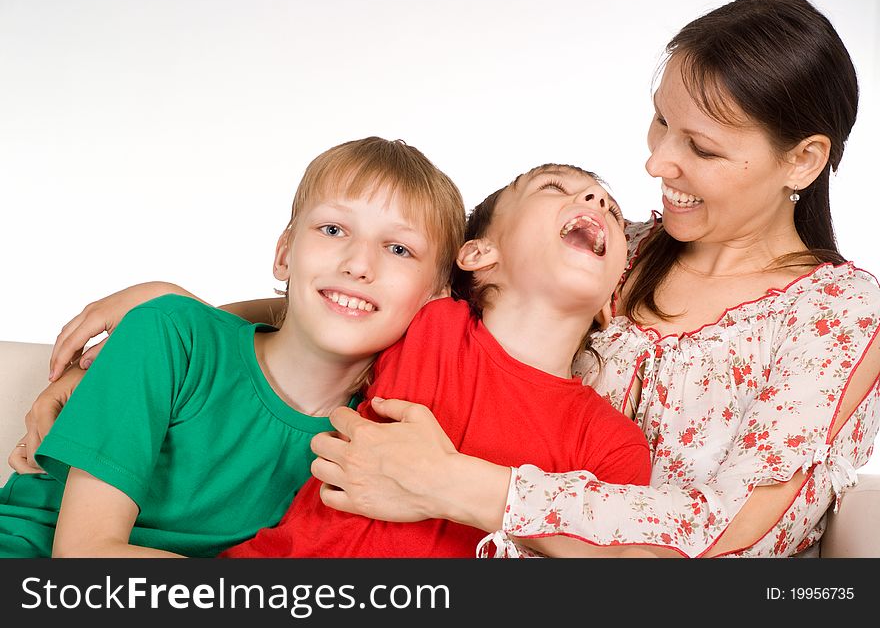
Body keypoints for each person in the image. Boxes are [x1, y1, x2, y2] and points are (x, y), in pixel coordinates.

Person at [296, 0, 880, 558]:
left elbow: (730, 531)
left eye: (701, 148)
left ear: (803, 159)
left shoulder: (836, 314)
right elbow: (400, 292)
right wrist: (219, 326)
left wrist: (451, 483)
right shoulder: (607, 252)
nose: (655, 163)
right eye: (660, 121)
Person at [0, 136, 465, 557]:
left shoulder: (381, 437)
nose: (359, 264)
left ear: (437, 300)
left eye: (399, 249)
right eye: (333, 230)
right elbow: (85, 556)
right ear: (285, 254)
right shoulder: (170, 334)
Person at [219, 163, 652, 558]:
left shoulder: (612, 444)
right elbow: (319, 309)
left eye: (612, 210)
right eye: (554, 186)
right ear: (478, 254)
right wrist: (187, 310)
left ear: (610, 301)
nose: (597, 200)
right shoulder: (428, 319)